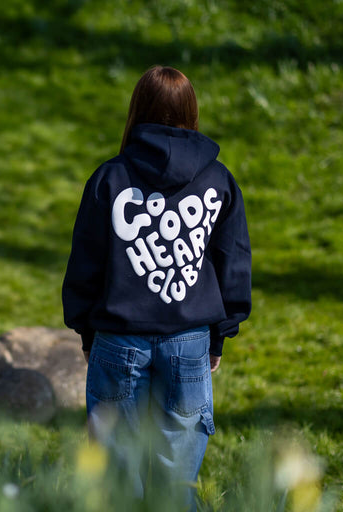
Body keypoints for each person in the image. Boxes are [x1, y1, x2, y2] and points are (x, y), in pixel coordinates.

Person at [62, 66, 251, 509]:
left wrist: (87, 331)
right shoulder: (219, 181)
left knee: (117, 487)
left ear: (136, 111)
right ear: (192, 112)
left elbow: (85, 264)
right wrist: (219, 335)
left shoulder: (109, 179)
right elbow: (233, 261)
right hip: (189, 344)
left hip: (116, 340)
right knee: (174, 492)